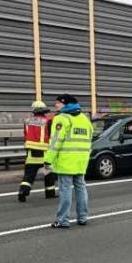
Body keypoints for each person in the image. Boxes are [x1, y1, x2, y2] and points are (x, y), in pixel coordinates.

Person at [44, 94, 94, 228]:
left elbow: (55, 141)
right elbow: (90, 139)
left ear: (65, 104)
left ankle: (62, 220)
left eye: (58, 103)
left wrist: (48, 160)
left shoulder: (61, 118)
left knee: (65, 189)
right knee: (81, 187)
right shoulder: (84, 119)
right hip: (81, 160)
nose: (56, 105)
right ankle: (83, 217)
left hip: (66, 160)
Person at [18, 101, 57, 202]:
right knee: (48, 174)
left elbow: (25, 135)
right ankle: (50, 193)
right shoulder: (48, 121)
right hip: (45, 155)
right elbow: (52, 136)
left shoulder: (27, 121)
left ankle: (23, 191)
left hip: (31, 154)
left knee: (29, 175)